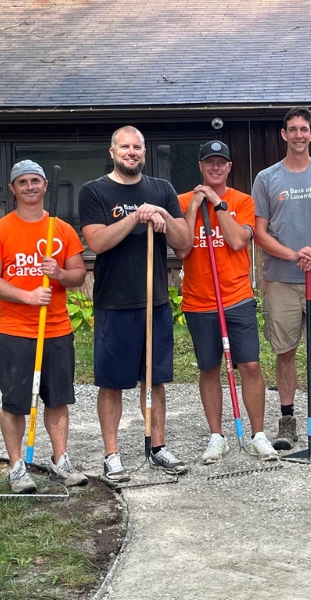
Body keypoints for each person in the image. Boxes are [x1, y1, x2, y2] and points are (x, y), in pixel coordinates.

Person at [79, 126, 191, 482]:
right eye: (125, 147)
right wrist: (133, 217)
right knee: (111, 382)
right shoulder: (94, 191)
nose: (132, 152)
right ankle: (111, 454)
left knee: (154, 379)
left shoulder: (162, 189)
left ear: (145, 152)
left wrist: (161, 216)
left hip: (154, 300)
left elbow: (184, 242)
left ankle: (157, 447)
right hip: (114, 301)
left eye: (137, 147)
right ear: (112, 151)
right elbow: (97, 243)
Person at [252, 106, 311, 455]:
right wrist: (294, 255)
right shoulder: (267, 178)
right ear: (284, 134)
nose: (297, 134)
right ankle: (288, 421)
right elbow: (260, 234)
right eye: (291, 129)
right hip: (281, 279)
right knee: (285, 351)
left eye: (303, 129)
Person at [176, 141, 278, 463]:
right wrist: (195, 205)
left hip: (236, 298)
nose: (216, 168)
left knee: (249, 365)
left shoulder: (242, 201)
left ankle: (258, 434)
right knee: (209, 368)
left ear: (229, 167)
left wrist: (218, 205)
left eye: (222, 163)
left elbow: (236, 240)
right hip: (199, 300)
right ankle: (216, 436)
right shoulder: (182, 201)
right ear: (201, 166)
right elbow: (182, 248)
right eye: (210, 162)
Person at [0, 160, 88, 493]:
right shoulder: (3, 229)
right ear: (13, 189)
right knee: (14, 401)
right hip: (14, 330)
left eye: (36, 180)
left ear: (45, 186)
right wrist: (27, 295)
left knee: (57, 399)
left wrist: (60, 274)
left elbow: (78, 274)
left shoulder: (61, 230)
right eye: (22, 182)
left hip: (56, 329)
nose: (30, 186)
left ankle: (60, 460)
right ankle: (17, 467)